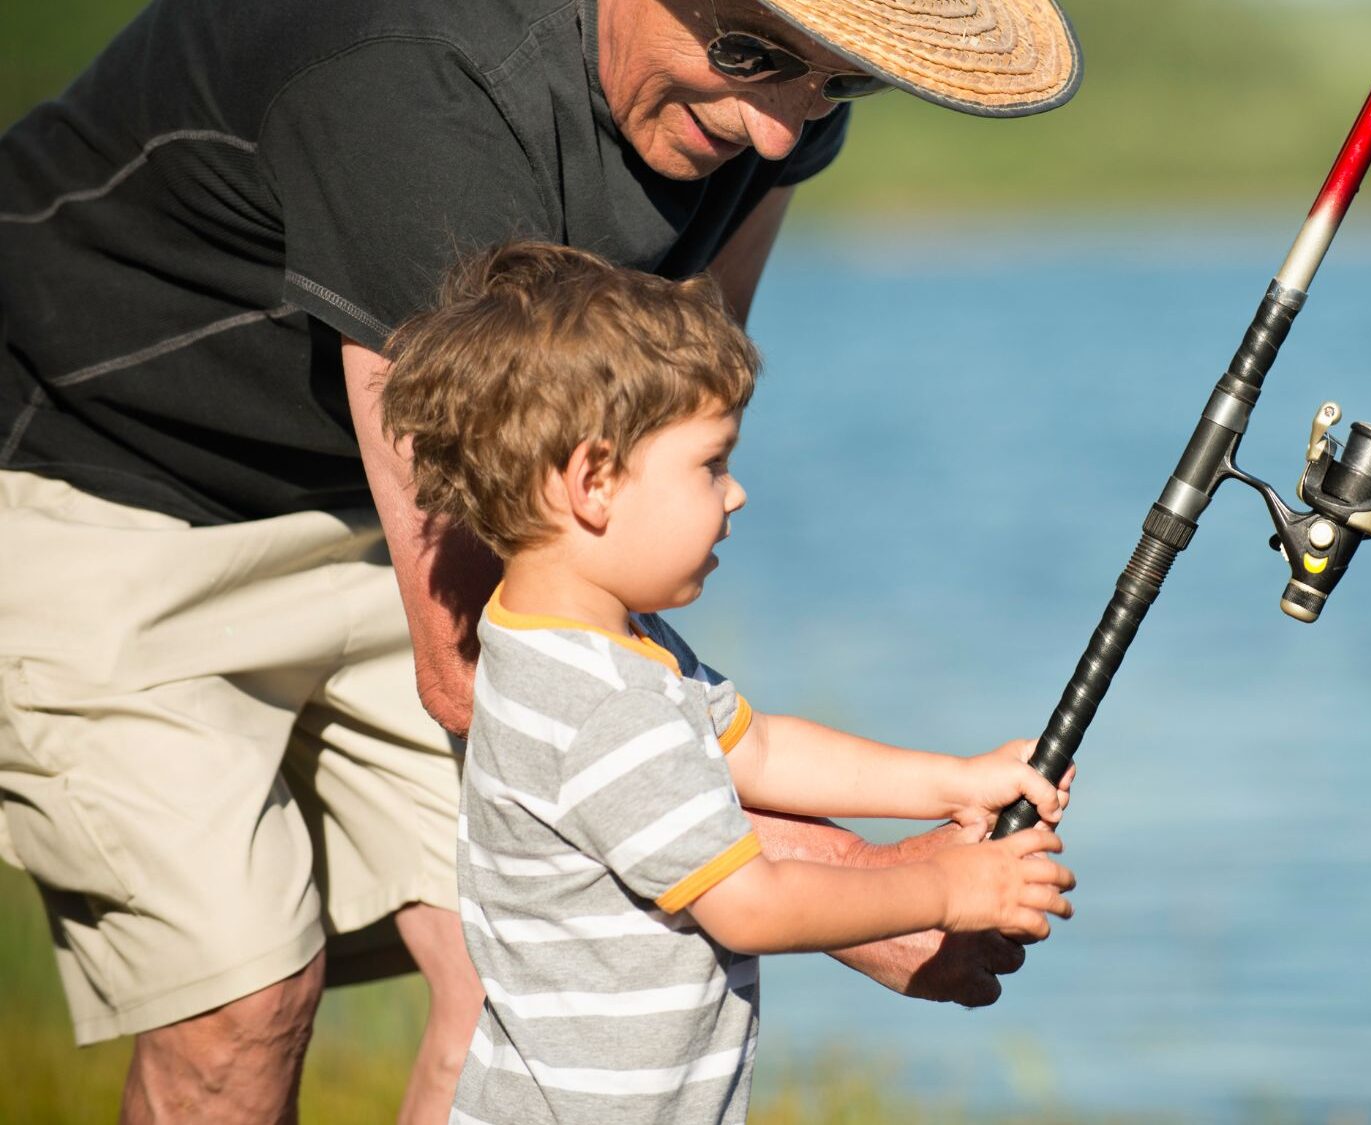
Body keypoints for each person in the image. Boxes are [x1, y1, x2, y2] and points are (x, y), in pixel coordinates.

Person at [0, 0, 1081, 1119]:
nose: (776, 137)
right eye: (751, 54)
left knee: (518, 958)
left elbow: (680, 414)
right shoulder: (416, 78)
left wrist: (939, 796)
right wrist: (898, 893)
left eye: (835, 84)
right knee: (237, 1002)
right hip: (93, 473)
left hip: (381, 502)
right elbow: (497, 685)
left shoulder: (781, 107)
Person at [380, 240, 1076, 1123]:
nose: (736, 493)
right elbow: (752, 904)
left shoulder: (576, 641)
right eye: (710, 464)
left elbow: (762, 746)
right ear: (592, 480)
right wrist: (953, 889)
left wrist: (956, 779)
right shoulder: (603, 709)